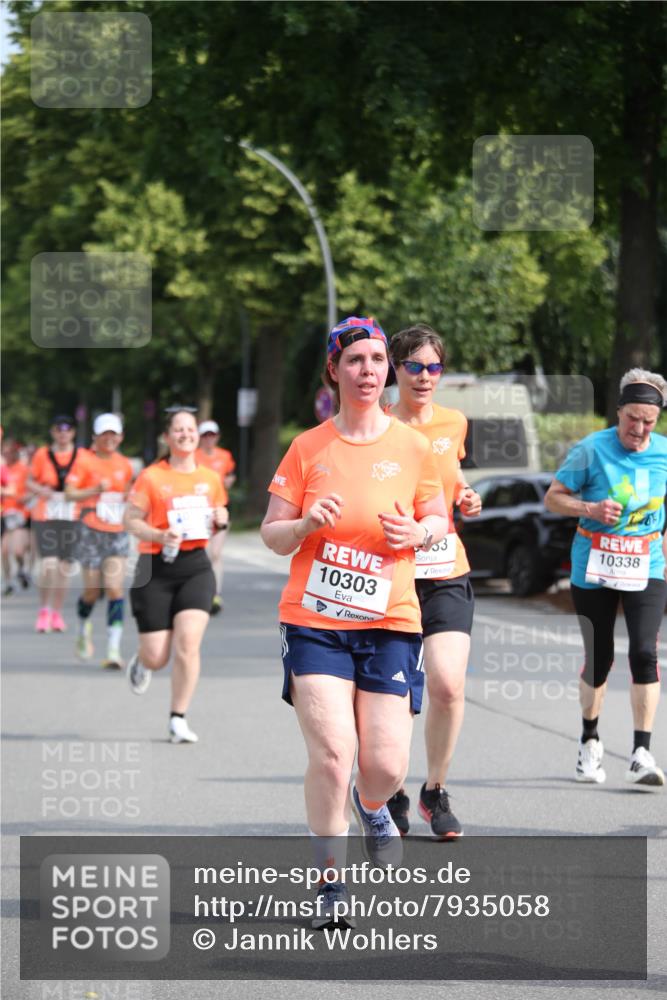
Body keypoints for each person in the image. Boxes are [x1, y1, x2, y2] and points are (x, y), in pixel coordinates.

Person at [261, 316, 448, 926]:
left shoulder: (414, 447)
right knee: (334, 754)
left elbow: (438, 520)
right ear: (335, 372)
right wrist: (307, 523)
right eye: (355, 361)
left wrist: (419, 531)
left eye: (376, 360)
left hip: (390, 619)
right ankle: (329, 883)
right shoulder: (307, 447)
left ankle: (373, 807)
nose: (368, 371)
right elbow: (271, 534)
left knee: (386, 767)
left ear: (387, 371)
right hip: (314, 619)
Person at [545, 368, 667, 787]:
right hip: (594, 563)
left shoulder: (664, 453)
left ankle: (641, 751)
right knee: (600, 659)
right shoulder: (590, 450)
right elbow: (553, 498)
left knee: (644, 653)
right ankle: (590, 740)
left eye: (648, 421)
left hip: (646, 562)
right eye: (631, 418)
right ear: (618, 412)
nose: (638, 428)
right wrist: (591, 510)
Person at [384, 324, 483, 838]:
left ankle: (434, 790)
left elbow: (451, 480)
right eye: (414, 367)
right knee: (396, 695)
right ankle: (392, 790)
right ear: (395, 370)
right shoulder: (378, 425)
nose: (425, 377)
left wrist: (465, 496)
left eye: (434, 367)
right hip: (391, 573)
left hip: (445, 568)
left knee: (446, 685)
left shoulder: (453, 421)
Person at [123, 408, 228, 744]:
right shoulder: (152, 477)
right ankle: (142, 662)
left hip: (195, 567)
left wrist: (222, 518)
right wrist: (158, 535)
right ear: (167, 438)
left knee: (188, 644)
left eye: (190, 429)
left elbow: (219, 511)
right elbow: (130, 520)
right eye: (178, 430)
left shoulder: (210, 478)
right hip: (153, 567)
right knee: (157, 655)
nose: (185, 434)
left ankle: (178, 717)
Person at [64, 414, 134, 669]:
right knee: (92, 591)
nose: (110, 438)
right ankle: (83, 627)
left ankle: (113, 649)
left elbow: (129, 494)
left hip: (116, 532)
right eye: (104, 433)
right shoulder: (83, 461)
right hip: (89, 531)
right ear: (95, 437)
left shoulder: (125, 464)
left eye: (114, 434)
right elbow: (69, 494)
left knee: (115, 588)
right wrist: (95, 490)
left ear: (120, 437)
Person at [26, 415, 89, 633]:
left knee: (65, 567)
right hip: (47, 514)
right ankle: (44, 609)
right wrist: (40, 490)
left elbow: (89, 483)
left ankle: (57, 612)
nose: (63, 433)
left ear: (72, 432)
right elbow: (29, 481)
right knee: (49, 564)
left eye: (67, 429)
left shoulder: (83, 456)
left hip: (72, 514)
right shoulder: (42, 455)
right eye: (59, 429)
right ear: (53, 432)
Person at [195, 420, 236, 615]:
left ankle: (215, 594)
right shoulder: (193, 456)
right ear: (199, 438)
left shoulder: (225, 456)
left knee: (216, 554)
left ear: (217, 437)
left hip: (220, 508)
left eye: (212, 435)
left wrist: (229, 481)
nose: (208, 439)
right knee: (202, 552)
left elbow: (229, 475)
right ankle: (200, 591)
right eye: (205, 435)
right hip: (198, 509)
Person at [1, 437, 32, 595]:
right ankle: (8, 583)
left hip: (21, 514)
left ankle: (21, 569)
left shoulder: (23, 469)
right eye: (4, 452)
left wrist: (26, 497)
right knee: (4, 551)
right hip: (6, 514)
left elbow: (31, 490)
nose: (6, 455)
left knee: (18, 551)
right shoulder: (3, 469)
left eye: (9, 452)